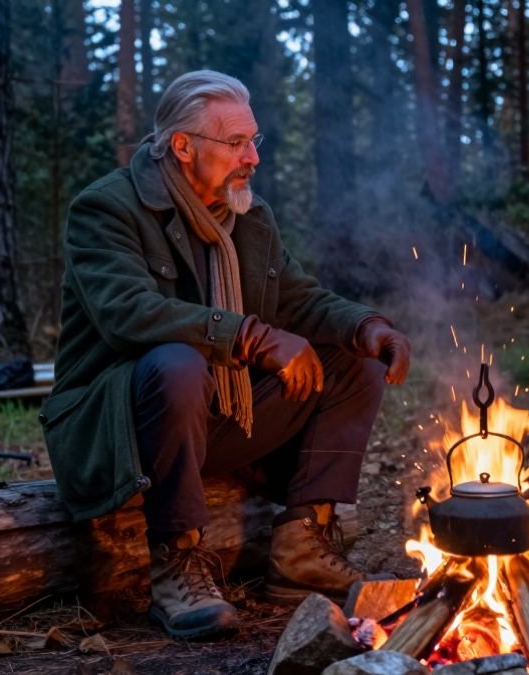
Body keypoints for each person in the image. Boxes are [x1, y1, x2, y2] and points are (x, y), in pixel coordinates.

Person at [40, 70, 411, 640]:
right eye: (236, 143)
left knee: (353, 362)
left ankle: (299, 546)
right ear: (183, 146)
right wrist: (249, 336)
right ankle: (177, 565)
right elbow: (127, 314)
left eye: (253, 141)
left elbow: (297, 298)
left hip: (215, 420)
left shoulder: (248, 217)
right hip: (118, 430)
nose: (252, 158)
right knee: (177, 363)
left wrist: (367, 326)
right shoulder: (107, 209)